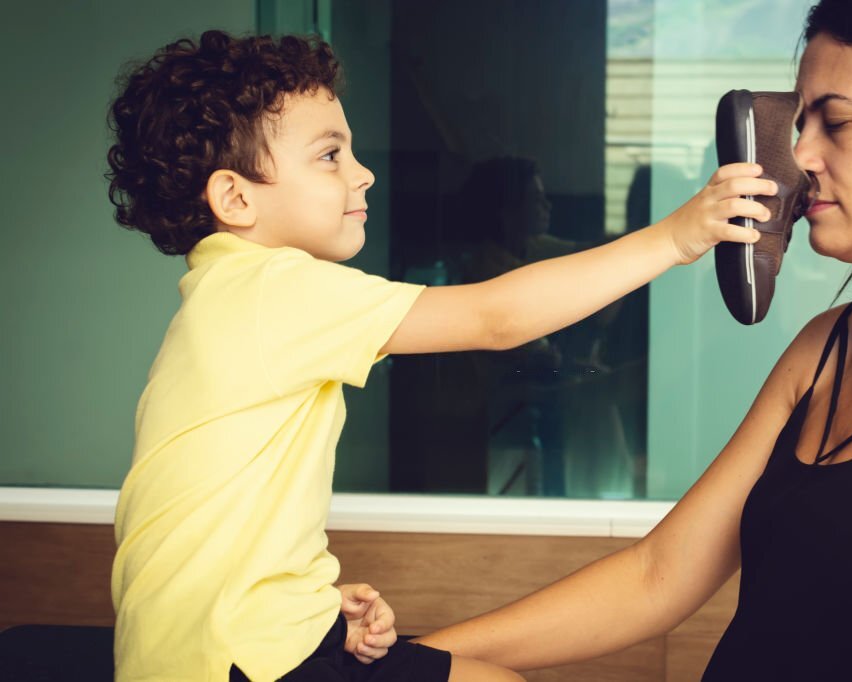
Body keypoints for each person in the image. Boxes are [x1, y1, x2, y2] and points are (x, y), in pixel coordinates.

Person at [105, 30, 770, 682]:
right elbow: (497, 317)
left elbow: (207, 517)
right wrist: (676, 237)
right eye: (330, 156)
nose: (363, 172)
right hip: (228, 660)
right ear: (236, 198)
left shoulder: (224, 298)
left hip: (216, 643)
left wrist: (304, 598)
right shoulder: (271, 288)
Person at [416, 1, 852, 680]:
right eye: (801, 123)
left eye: (838, 122)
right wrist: (407, 662)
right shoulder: (830, 344)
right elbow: (658, 574)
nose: (800, 156)